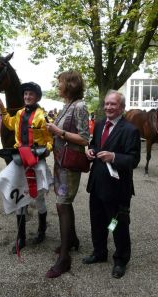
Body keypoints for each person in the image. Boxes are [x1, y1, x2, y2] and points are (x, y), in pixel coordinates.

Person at [83, 90, 141, 279]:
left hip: (117, 190)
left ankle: (120, 259)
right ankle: (99, 253)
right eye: (107, 104)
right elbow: (94, 144)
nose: (108, 107)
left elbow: (133, 160)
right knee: (97, 222)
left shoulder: (130, 130)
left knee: (116, 225)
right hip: (97, 184)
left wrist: (114, 156)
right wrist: (90, 151)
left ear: (122, 107)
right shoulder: (99, 125)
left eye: (113, 104)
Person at [0, 82, 53, 254]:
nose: (27, 97)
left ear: (37, 97)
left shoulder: (43, 117)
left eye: (31, 95)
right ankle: (21, 237)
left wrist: (45, 151)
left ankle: (42, 231)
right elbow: (9, 123)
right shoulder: (19, 113)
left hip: (37, 160)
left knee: (38, 197)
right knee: (19, 196)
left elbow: (50, 139)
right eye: (26, 94)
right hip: (20, 159)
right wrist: (3, 109)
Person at [45, 70, 90, 278]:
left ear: (70, 84)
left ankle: (64, 259)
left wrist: (59, 131)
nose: (57, 86)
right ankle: (71, 241)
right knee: (62, 203)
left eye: (60, 82)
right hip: (60, 162)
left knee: (62, 204)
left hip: (69, 164)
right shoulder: (68, 105)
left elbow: (83, 138)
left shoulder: (79, 106)